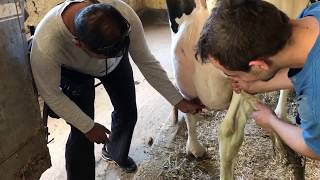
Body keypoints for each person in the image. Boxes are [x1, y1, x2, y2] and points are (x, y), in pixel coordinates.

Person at [30, 0, 203, 179]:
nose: (118, 55)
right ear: (78, 44)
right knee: (81, 134)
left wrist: (178, 100)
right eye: (107, 55)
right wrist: (87, 126)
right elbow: (51, 93)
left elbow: (145, 61)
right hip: (73, 71)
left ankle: (114, 152)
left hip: (113, 62)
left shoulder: (121, 13)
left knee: (128, 112)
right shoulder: (46, 44)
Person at [196, 0, 320, 160]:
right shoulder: (310, 15)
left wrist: (272, 121)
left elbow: (314, 148)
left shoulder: (315, 105)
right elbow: (306, 71)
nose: (234, 79)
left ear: (259, 65)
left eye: (235, 74)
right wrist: (257, 85)